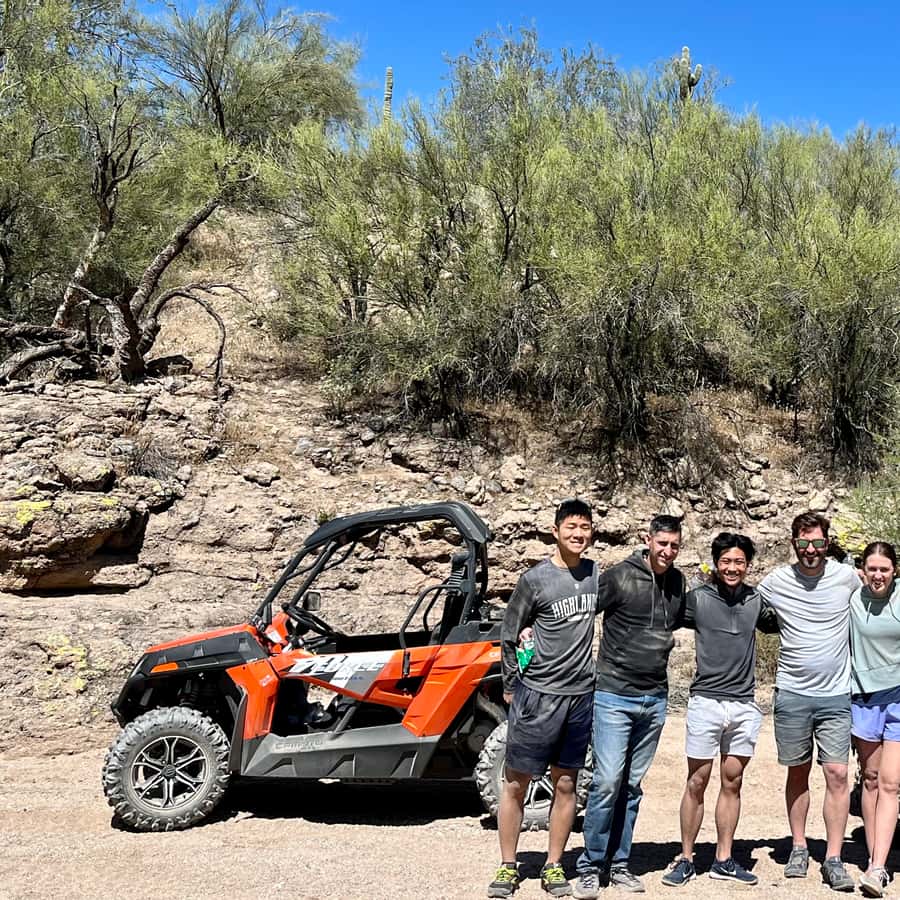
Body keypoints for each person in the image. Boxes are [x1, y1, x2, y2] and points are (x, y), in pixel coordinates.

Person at [488, 499, 599, 899]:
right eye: (571, 527)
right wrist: (510, 685)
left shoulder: (595, 575)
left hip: (579, 696)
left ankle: (553, 865)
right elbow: (509, 632)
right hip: (538, 695)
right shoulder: (534, 580)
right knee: (516, 782)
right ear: (556, 531)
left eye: (585, 527)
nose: (578, 534)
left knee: (566, 783)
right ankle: (508, 865)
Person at [573, 514, 687, 898]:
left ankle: (619, 863)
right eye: (662, 543)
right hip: (613, 695)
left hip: (654, 699)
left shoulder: (678, 582)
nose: (667, 551)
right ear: (647, 539)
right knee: (607, 782)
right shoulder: (619, 576)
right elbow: (581, 614)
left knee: (631, 786)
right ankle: (590, 866)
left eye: (674, 545)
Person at [757, 511, 860, 893]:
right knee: (797, 772)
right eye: (804, 543)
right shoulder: (777, 581)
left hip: (836, 694)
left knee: (837, 774)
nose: (811, 549)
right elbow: (742, 598)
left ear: (827, 543)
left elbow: (878, 593)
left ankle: (833, 857)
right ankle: (799, 846)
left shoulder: (846, 577)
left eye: (817, 542)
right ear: (794, 543)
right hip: (792, 693)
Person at [662, 532, 771, 888]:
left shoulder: (757, 600)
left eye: (739, 561)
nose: (732, 568)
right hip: (706, 701)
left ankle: (724, 859)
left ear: (748, 565)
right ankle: (686, 858)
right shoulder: (698, 599)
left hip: (743, 704)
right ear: (716, 564)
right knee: (697, 781)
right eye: (726, 561)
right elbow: (664, 614)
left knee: (732, 781)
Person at [849, 541, 900, 898]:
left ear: (895, 571)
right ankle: (872, 857)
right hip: (864, 697)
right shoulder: (853, 597)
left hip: (899, 696)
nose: (878, 575)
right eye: (872, 569)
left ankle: (879, 866)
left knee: (891, 783)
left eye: (885, 569)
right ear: (862, 570)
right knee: (869, 779)